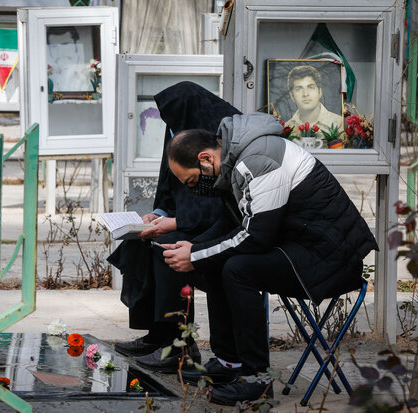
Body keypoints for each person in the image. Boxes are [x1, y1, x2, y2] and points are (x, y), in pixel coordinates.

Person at [162, 113, 377, 405]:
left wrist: (196, 254)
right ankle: (229, 363)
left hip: (331, 257)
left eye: (192, 181)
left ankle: (257, 381)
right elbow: (237, 226)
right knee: (215, 264)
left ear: (205, 158)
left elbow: (255, 237)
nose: (194, 188)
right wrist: (196, 248)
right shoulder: (239, 158)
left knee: (238, 269)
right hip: (302, 245)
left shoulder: (257, 161)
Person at [108, 81, 239, 372]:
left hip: (215, 226)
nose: (169, 124)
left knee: (168, 248)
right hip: (186, 221)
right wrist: (156, 214)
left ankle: (181, 346)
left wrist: (175, 223)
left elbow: (223, 208)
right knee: (140, 241)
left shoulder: (215, 142)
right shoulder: (178, 134)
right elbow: (168, 188)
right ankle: (158, 335)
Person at [283, 65, 344, 134]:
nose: (305, 94)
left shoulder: (339, 123)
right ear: (292, 96)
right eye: (299, 89)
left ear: (320, 92)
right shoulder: (286, 128)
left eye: (311, 87)